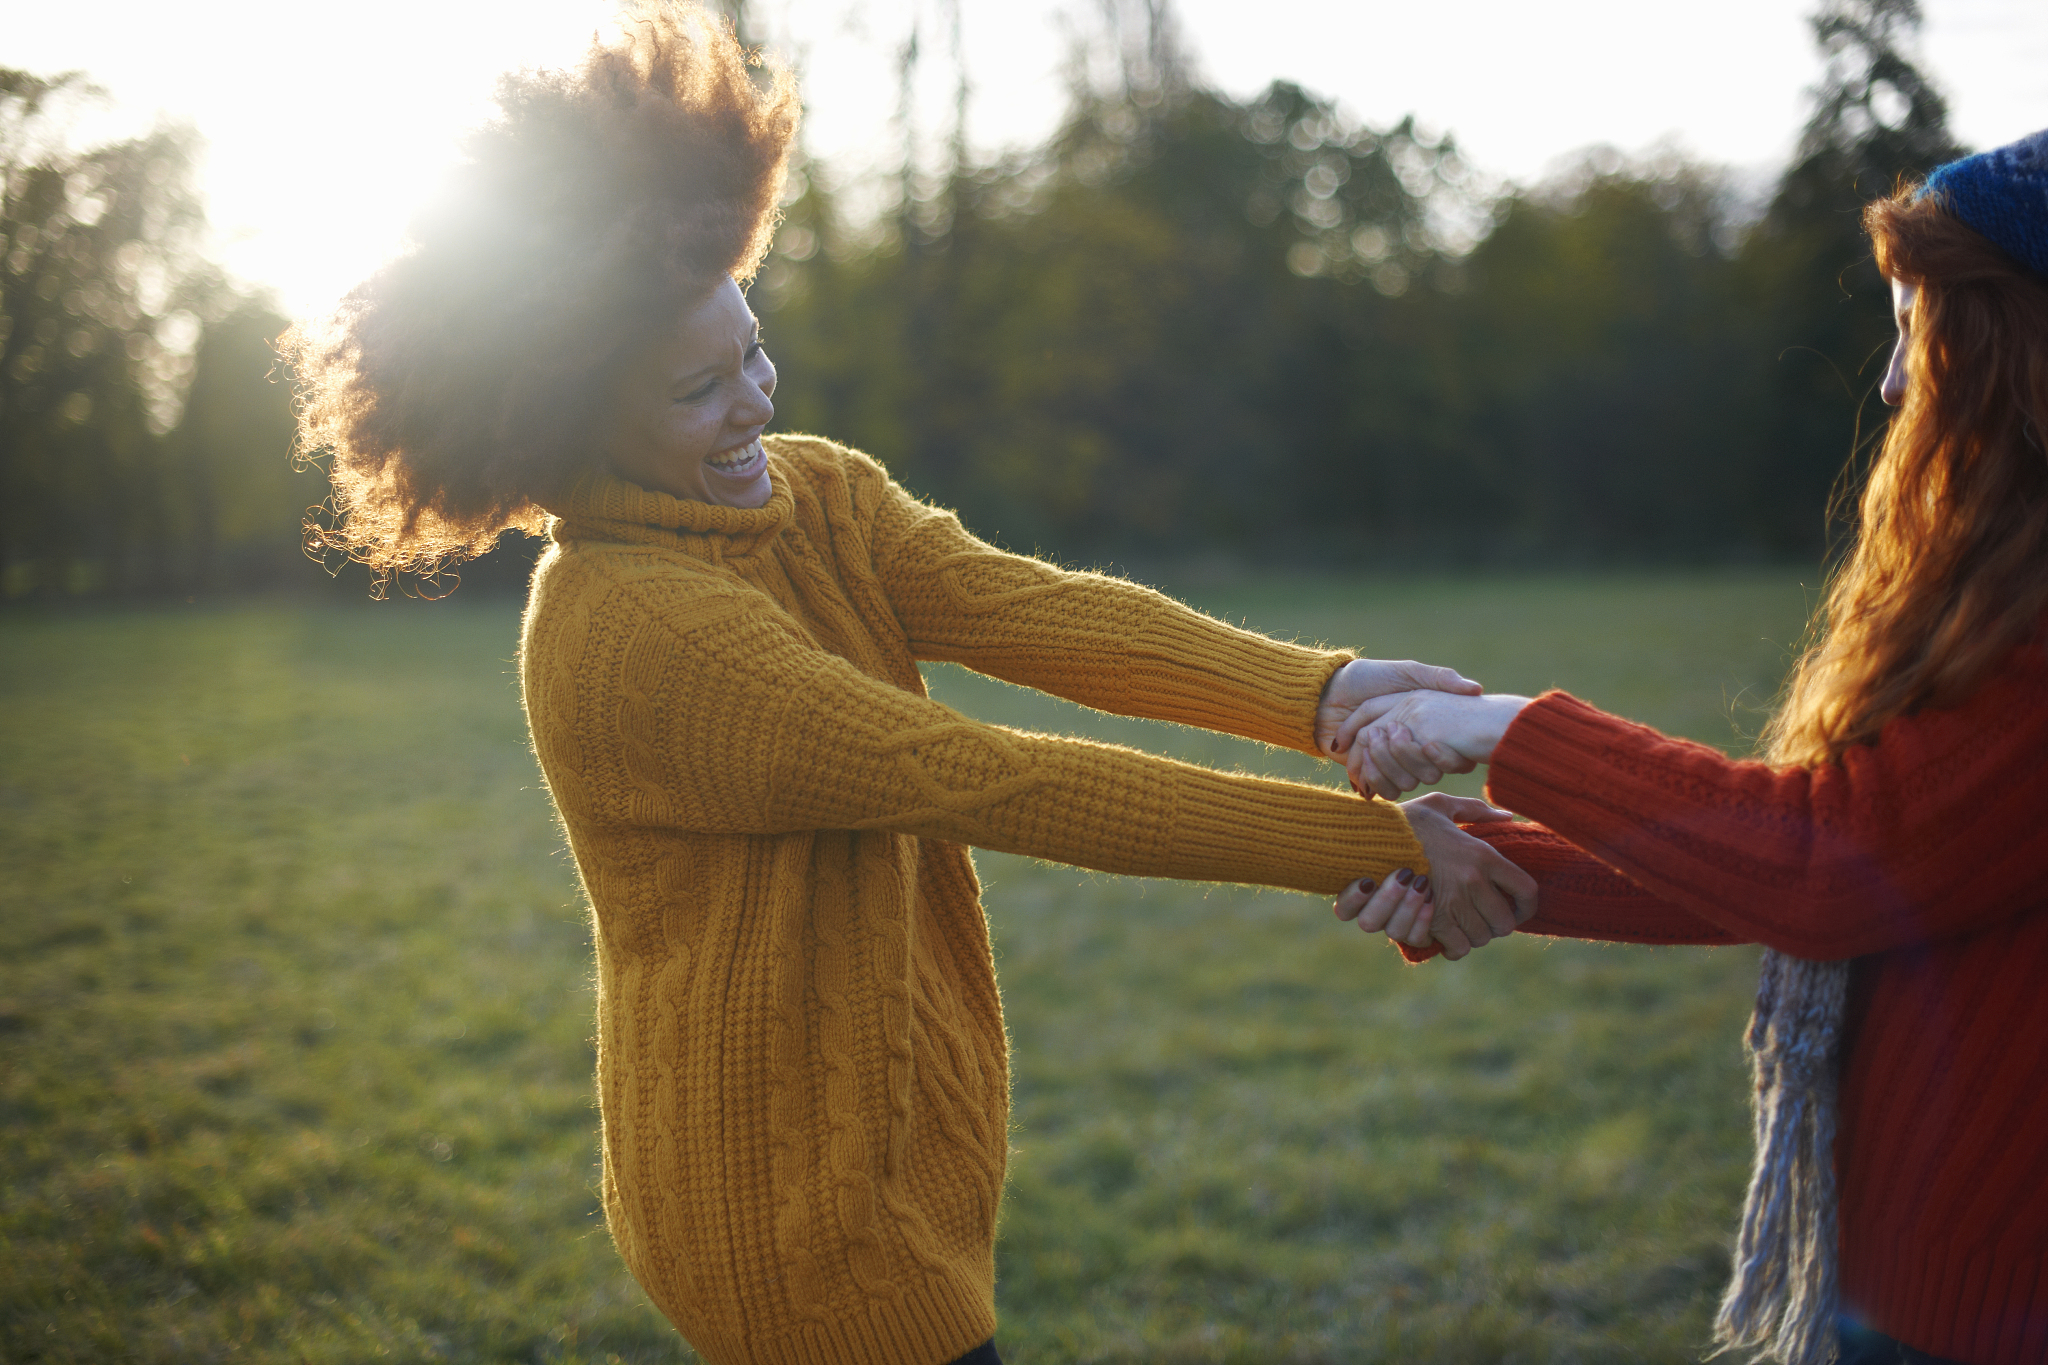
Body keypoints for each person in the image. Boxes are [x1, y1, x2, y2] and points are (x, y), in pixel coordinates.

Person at [282, 7, 1533, 1362]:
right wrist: (1356, 838)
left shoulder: (816, 495)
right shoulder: (634, 631)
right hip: (782, 1203)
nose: (756, 399)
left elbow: (1035, 613)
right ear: (586, 422)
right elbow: (987, 773)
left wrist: (1323, 693)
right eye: (700, 387)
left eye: (754, 348)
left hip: (879, 1143)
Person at [1329, 129, 2048, 1365]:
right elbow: (1886, 864)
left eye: (1914, 330)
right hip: (1921, 1280)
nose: (1886, 384)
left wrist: (1498, 729)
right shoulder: (2011, 590)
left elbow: (1829, 863)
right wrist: (1502, 866)